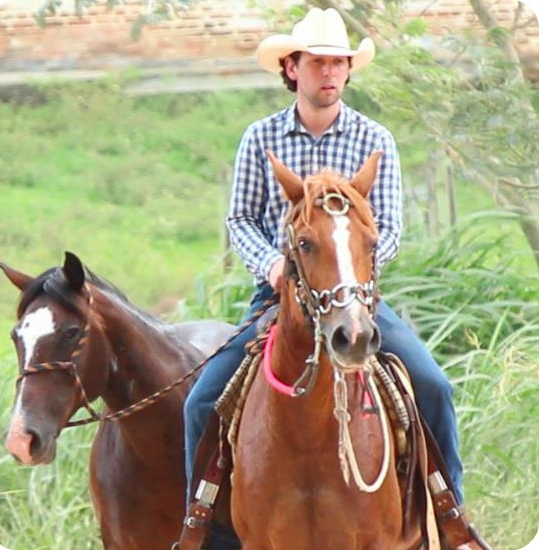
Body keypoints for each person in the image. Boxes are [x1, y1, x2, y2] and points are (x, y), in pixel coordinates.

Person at [183, 7, 464, 547]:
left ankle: (451, 515)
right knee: (202, 400)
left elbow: (388, 228)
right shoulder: (260, 138)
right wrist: (272, 265)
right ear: (292, 68)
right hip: (279, 296)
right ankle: (201, 526)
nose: (330, 73)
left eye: (338, 63)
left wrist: (355, 274)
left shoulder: (373, 138)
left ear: (348, 71)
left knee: (432, 385)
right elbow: (240, 219)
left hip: (354, 295)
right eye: (317, 63)